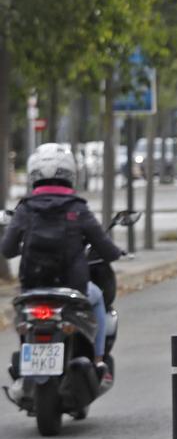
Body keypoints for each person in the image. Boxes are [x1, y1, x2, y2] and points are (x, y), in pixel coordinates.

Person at [1, 144, 123, 387]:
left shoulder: (25, 209)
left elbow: (7, 249)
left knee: (25, 318)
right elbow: (104, 246)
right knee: (98, 298)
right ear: (70, 174)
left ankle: (26, 361)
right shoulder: (77, 209)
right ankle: (98, 359)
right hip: (73, 288)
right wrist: (116, 252)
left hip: (32, 288)